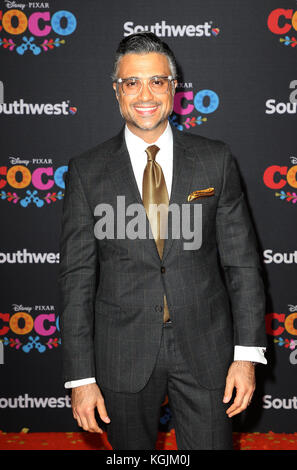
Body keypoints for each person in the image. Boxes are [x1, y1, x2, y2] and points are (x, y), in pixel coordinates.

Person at [58, 32, 267, 450]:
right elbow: (77, 279)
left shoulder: (215, 159)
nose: (145, 94)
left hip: (207, 349)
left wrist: (246, 356)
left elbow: (242, 265)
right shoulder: (87, 172)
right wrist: (81, 378)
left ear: (174, 88)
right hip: (122, 352)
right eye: (131, 82)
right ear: (116, 91)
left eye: (157, 81)